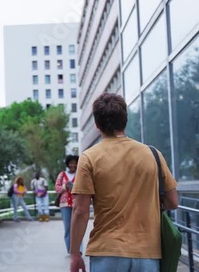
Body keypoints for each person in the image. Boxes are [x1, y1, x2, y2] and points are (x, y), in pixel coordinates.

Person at [70, 93, 179, 272]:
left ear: (97, 125)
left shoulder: (89, 158)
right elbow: (173, 202)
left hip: (107, 251)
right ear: (125, 121)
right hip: (148, 253)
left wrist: (75, 254)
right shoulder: (153, 154)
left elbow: (80, 211)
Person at [55, 154, 81, 254]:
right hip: (65, 204)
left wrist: (74, 187)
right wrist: (65, 187)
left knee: (78, 227)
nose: (73, 165)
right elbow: (57, 188)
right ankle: (70, 250)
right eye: (71, 163)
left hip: (76, 203)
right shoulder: (62, 174)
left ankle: (78, 250)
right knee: (67, 228)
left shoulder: (79, 174)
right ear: (67, 164)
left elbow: (84, 187)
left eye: (75, 163)